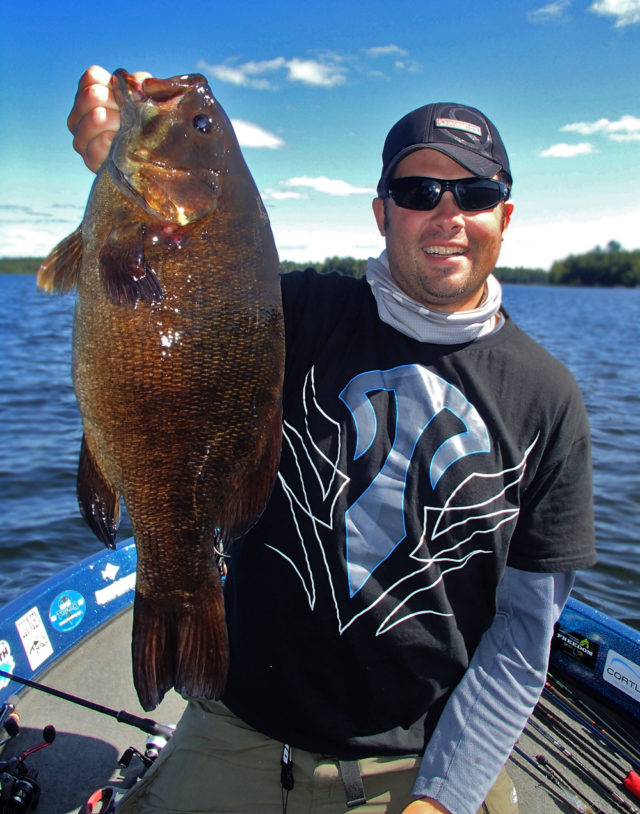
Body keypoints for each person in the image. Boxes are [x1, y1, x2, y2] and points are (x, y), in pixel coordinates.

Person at [68, 67, 597, 814]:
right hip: (239, 724)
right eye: (418, 192)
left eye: (474, 193)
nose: (447, 212)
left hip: (420, 759)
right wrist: (114, 157)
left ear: (504, 217)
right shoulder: (302, 312)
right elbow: (181, 287)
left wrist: (445, 797)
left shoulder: (550, 401)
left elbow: (521, 632)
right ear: (382, 213)